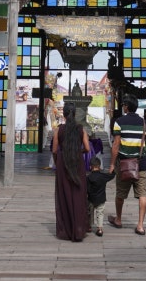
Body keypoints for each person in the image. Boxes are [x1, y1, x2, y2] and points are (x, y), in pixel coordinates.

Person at [108, 93, 146, 236]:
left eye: (123, 105)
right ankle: (140, 225)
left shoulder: (119, 122)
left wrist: (112, 164)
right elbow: (143, 142)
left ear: (126, 106)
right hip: (140, 163)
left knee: (120, 194)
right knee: (142, 194)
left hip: (124, 164)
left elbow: (116, 145)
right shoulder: (144, 123)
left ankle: (118, 219)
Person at [52, 102, 90, 241]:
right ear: (74, 114)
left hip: (63, 163)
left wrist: (58, 161)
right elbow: (87, 148)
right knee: (78, 195)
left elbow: (55, 150)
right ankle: (79, 229)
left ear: (64, 114)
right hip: (77, 163)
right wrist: (77, 151)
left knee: (64, 195)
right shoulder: (81, 129)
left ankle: (66, 230)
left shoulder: (59, 130)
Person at [86, 156, 115, 237]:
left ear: (90, 166)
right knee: (100, 213)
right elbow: (112, 176)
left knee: (89, 213)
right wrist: (113, 169)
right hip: (101, 199)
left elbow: (86, 189)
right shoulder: (103, 176)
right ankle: (100, 229)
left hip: (91, 199)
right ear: (99, 166)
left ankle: (89, 226)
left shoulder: (88, 178)